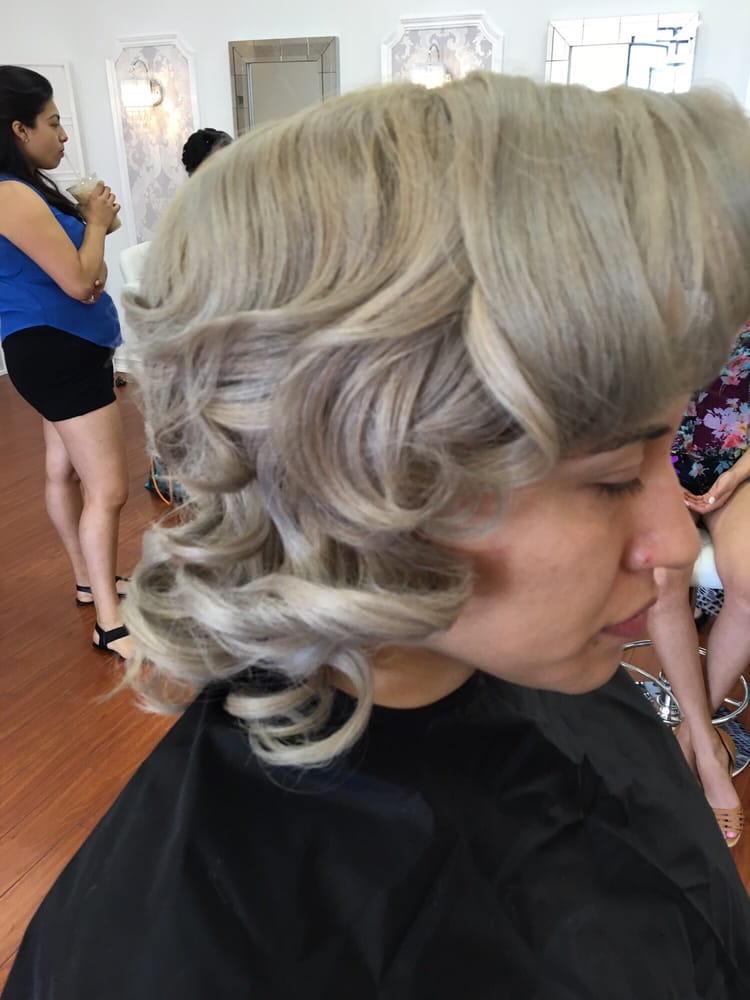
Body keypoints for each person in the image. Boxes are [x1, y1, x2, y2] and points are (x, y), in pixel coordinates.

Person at [5, 74, 750, 998]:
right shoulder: (162, 957)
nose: (673, 545)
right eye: (609, 479)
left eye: (662, 450)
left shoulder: (558, 674)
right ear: (359, 477)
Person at [0, 66, 132, 659]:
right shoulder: (10, 194)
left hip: (57, 346)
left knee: (64, 472)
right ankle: (111, 624)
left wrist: (94, 229)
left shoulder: (27, 188)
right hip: (59, 349)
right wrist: (96, 225)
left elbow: (88, 272)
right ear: (18, 128)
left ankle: (89, 583)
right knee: (110, 489)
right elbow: (81, 283)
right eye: (52, 123)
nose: (63, 135)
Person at [647, 322, 750, 846]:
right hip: (655, 466)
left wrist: (736, 474)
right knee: (662, 574)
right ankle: (710, 752)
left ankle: (694, 731)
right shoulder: (649, 299)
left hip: (741, 471)